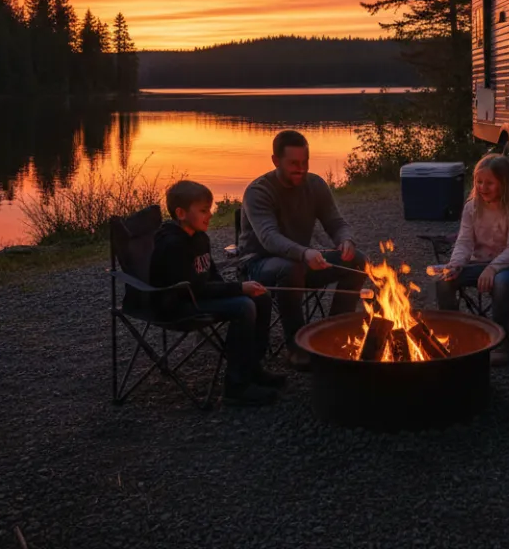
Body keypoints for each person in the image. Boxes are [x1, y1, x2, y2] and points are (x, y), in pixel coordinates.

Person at [239, 130, 367, 370]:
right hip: (259, 266)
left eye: (305, 162)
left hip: (301, 262)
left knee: (358, 261)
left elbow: (336, 223)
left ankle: (335, 335)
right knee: (291, 268)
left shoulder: (315, 184)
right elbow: (269, 238)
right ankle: (297, 349)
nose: (301, 168)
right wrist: (304, 253)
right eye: (294, 163)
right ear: (276, 161)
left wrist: (346, 240)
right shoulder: (259, 191)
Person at [150, 179, 285, 406]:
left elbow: (211, 277)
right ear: (181, 213)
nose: (210, 215)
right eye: (203, 210)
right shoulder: (173, 245)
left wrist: (238, 290)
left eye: (210, 209)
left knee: (260, 296)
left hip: (199, 296)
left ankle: (252, 367)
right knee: (244, 306)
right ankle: (236, 385)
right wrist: (238, 289)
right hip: (178, 305)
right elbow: (193, 288)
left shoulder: (200, 237)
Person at [435, 153, 509, 366]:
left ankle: (501, 341)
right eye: (479, 182)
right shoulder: (471, 207)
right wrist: (456, 264)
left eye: (490, 183)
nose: (483, 187)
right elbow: (464, 242)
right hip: (478, 263)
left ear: (504, 183)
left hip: (508, 264)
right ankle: (452, 336)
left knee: (502, 283)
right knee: (443, 280)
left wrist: (493, 269)